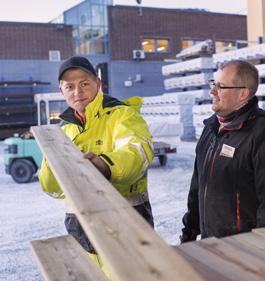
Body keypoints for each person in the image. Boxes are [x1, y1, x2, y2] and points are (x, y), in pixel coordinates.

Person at [38, 56, 154, 275]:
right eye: (69, 86)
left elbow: (138, 154)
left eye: (84, 83)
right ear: (61, 91)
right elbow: (53, 189)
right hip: (80, 231)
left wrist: (105, 165)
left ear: (98, 84)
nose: (77, 92)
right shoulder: (62, 131)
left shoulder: (122, 115)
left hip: (126, 226)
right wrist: (52, 164)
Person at [180, 60, 265, 243]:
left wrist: (258, 251)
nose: (212, 91)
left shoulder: (260, 133)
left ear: (243, 93)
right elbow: (197, 186)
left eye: (220, 87)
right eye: (213, 84)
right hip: (210, 244)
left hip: (245, 251)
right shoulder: (211, 128)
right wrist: (190, 232)